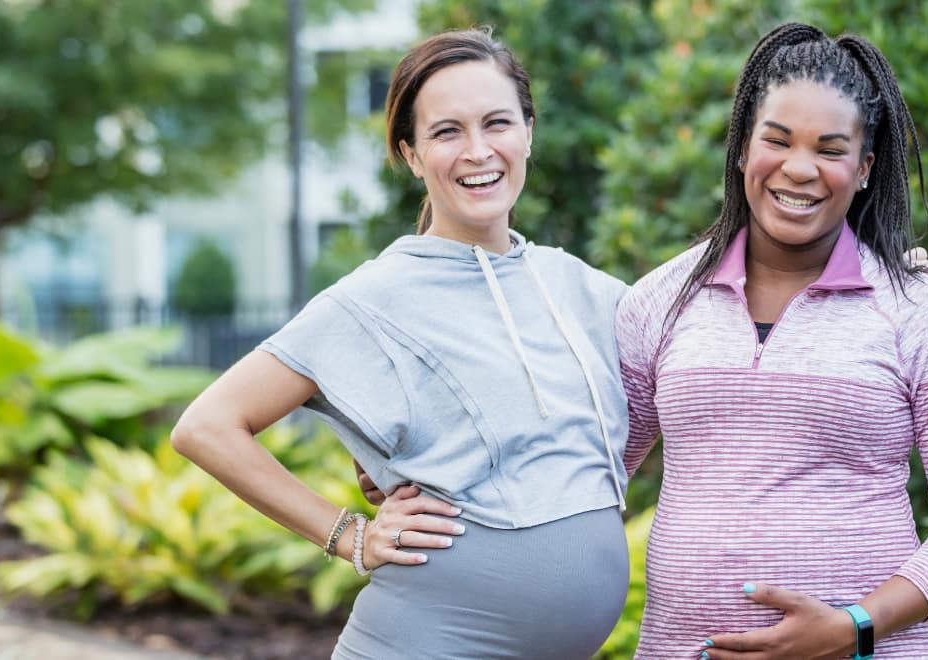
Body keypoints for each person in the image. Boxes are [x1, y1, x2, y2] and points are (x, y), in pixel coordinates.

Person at [170, 28, 633, 659]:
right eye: (447, 132)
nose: (478, 151)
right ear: (411, 154)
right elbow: (207, 426)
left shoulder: (581, 286)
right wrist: (347, 534)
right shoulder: (373, 298)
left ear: (529, 131)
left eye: (497, 123)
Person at [616, 23, 928, 659]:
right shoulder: (659, 301)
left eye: (830, 150)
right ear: (743, 149)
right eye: (777, 141)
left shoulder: (923, 314)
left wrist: (854, 626)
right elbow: (590, 479)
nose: (799, 169)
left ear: (863, 169)